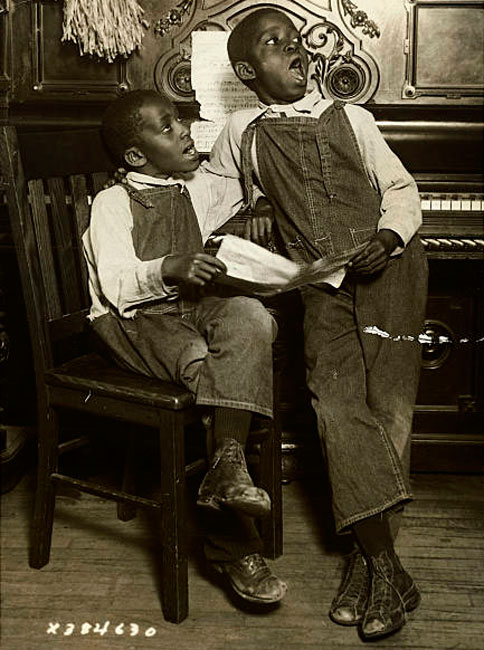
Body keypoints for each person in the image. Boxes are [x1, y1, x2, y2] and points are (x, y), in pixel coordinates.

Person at [207, 8, 428, 640]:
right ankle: (386, 563)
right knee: (334, 404)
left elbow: (401, 189)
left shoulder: (353, 117)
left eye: (297, 40)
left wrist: (389, 235)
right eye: (277, 44)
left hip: (392, 266)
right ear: (248, 71)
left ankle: (366, 566)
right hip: (322, 282)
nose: (296, 49)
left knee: (388, 408)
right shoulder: (239, 132)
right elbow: (212, 199)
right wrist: (206, 203)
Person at [82, 89, 287, 606]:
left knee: (252, 316)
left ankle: (226, 468)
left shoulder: (194, 186)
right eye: (168, 126)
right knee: (203, 364)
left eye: (182, 122)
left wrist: (258, 205)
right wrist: (168, 266)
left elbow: (245, 187)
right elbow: (117, 286)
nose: (185, 131)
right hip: (135, 322)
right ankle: (235, 544)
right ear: (136, 155)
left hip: (191, 309)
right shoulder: (111, 202)